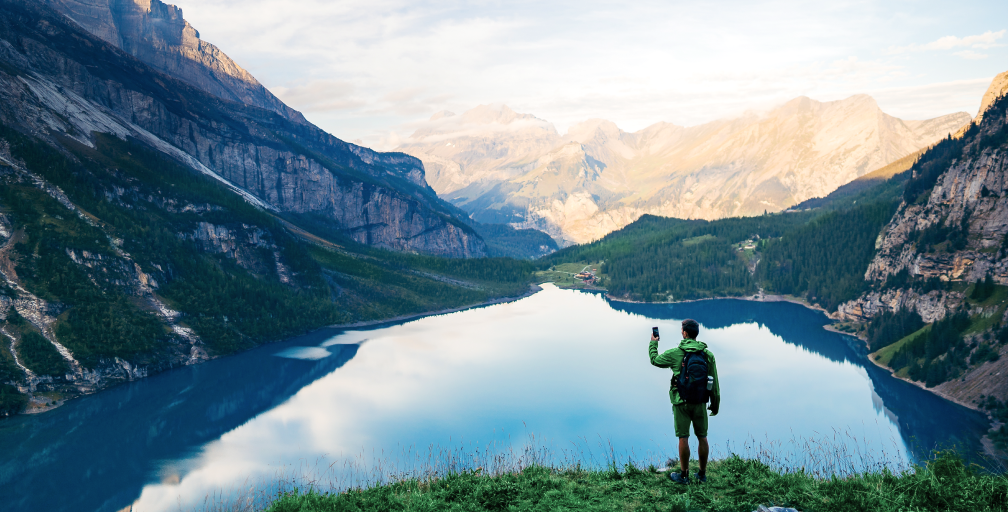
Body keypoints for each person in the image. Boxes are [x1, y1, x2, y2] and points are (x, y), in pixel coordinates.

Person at [648, 318, 720, 484]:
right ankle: (702, 475)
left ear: (685, 333)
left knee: (683, 438)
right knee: (702, 437)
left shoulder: (675, 353)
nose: (681, 332)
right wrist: (714, 404)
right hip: (701, 401)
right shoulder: (707, 354)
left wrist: (653, 343)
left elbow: (655, 360)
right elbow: (714, 382)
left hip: (681, 402)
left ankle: (684, 475)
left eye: (682, 330)